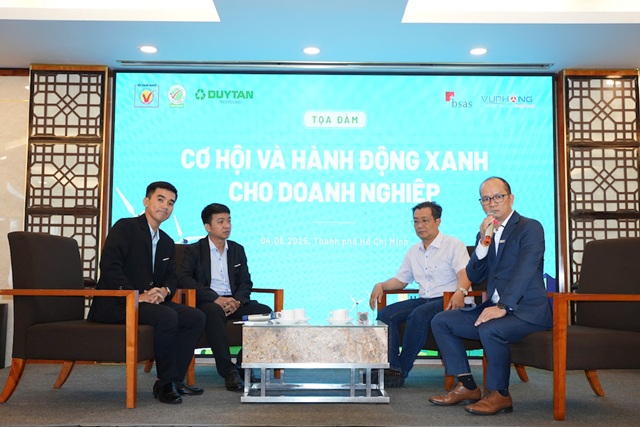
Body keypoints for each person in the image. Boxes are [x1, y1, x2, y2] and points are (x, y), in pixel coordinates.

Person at [428, 176, 552, 415]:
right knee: (442, 321)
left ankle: (499, 394)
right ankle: (467, 385)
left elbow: (526, 271)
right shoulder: (485, 234)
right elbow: (474, 274)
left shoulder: (530, 227)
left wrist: (503, 306)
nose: (492, 203)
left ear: (510, 198)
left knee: (490, 328)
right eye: (485, 199)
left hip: (527, 311)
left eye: (498, 197)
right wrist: (484, 243)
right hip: (495, 308)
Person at [88, 181, 206, 404]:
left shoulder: (167, 241)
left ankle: (174, 379)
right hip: (117, 303)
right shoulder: (125, 227)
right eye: (160, 200)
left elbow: (171, 277)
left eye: (170, 203)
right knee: (167, 316)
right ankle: (164, 383)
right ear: (146, 201)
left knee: (195, 317)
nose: (165, 206)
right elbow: (110, 266)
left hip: (148, 302)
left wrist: (164, 291)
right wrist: (134, 295)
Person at [368, 201, 472, 387]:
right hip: (425, 299)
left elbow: (464, 274)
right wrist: (381, 285)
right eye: (416, 221)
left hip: (448, 299)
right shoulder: (413, 251)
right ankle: (391, 366)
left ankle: (401, 370)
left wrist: (461, 292)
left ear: (437, 221)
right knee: (385, 314)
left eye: (425, 220)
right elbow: (401, 280)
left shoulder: (453, 245)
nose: (420, 225)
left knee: (419, 315)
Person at [178, 203, 272, 392]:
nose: (227, 226)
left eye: (229, 220)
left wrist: (238, 301)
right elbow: (184, 279)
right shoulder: (194, 250)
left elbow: (245, 282)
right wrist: (216, 298)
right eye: (220, 221)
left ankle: (243, 365)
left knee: (265, 312)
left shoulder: (237, 249)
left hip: (233, 301)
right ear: (208, 226)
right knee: (214, 311)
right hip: (208, 302)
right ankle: (228, 371)